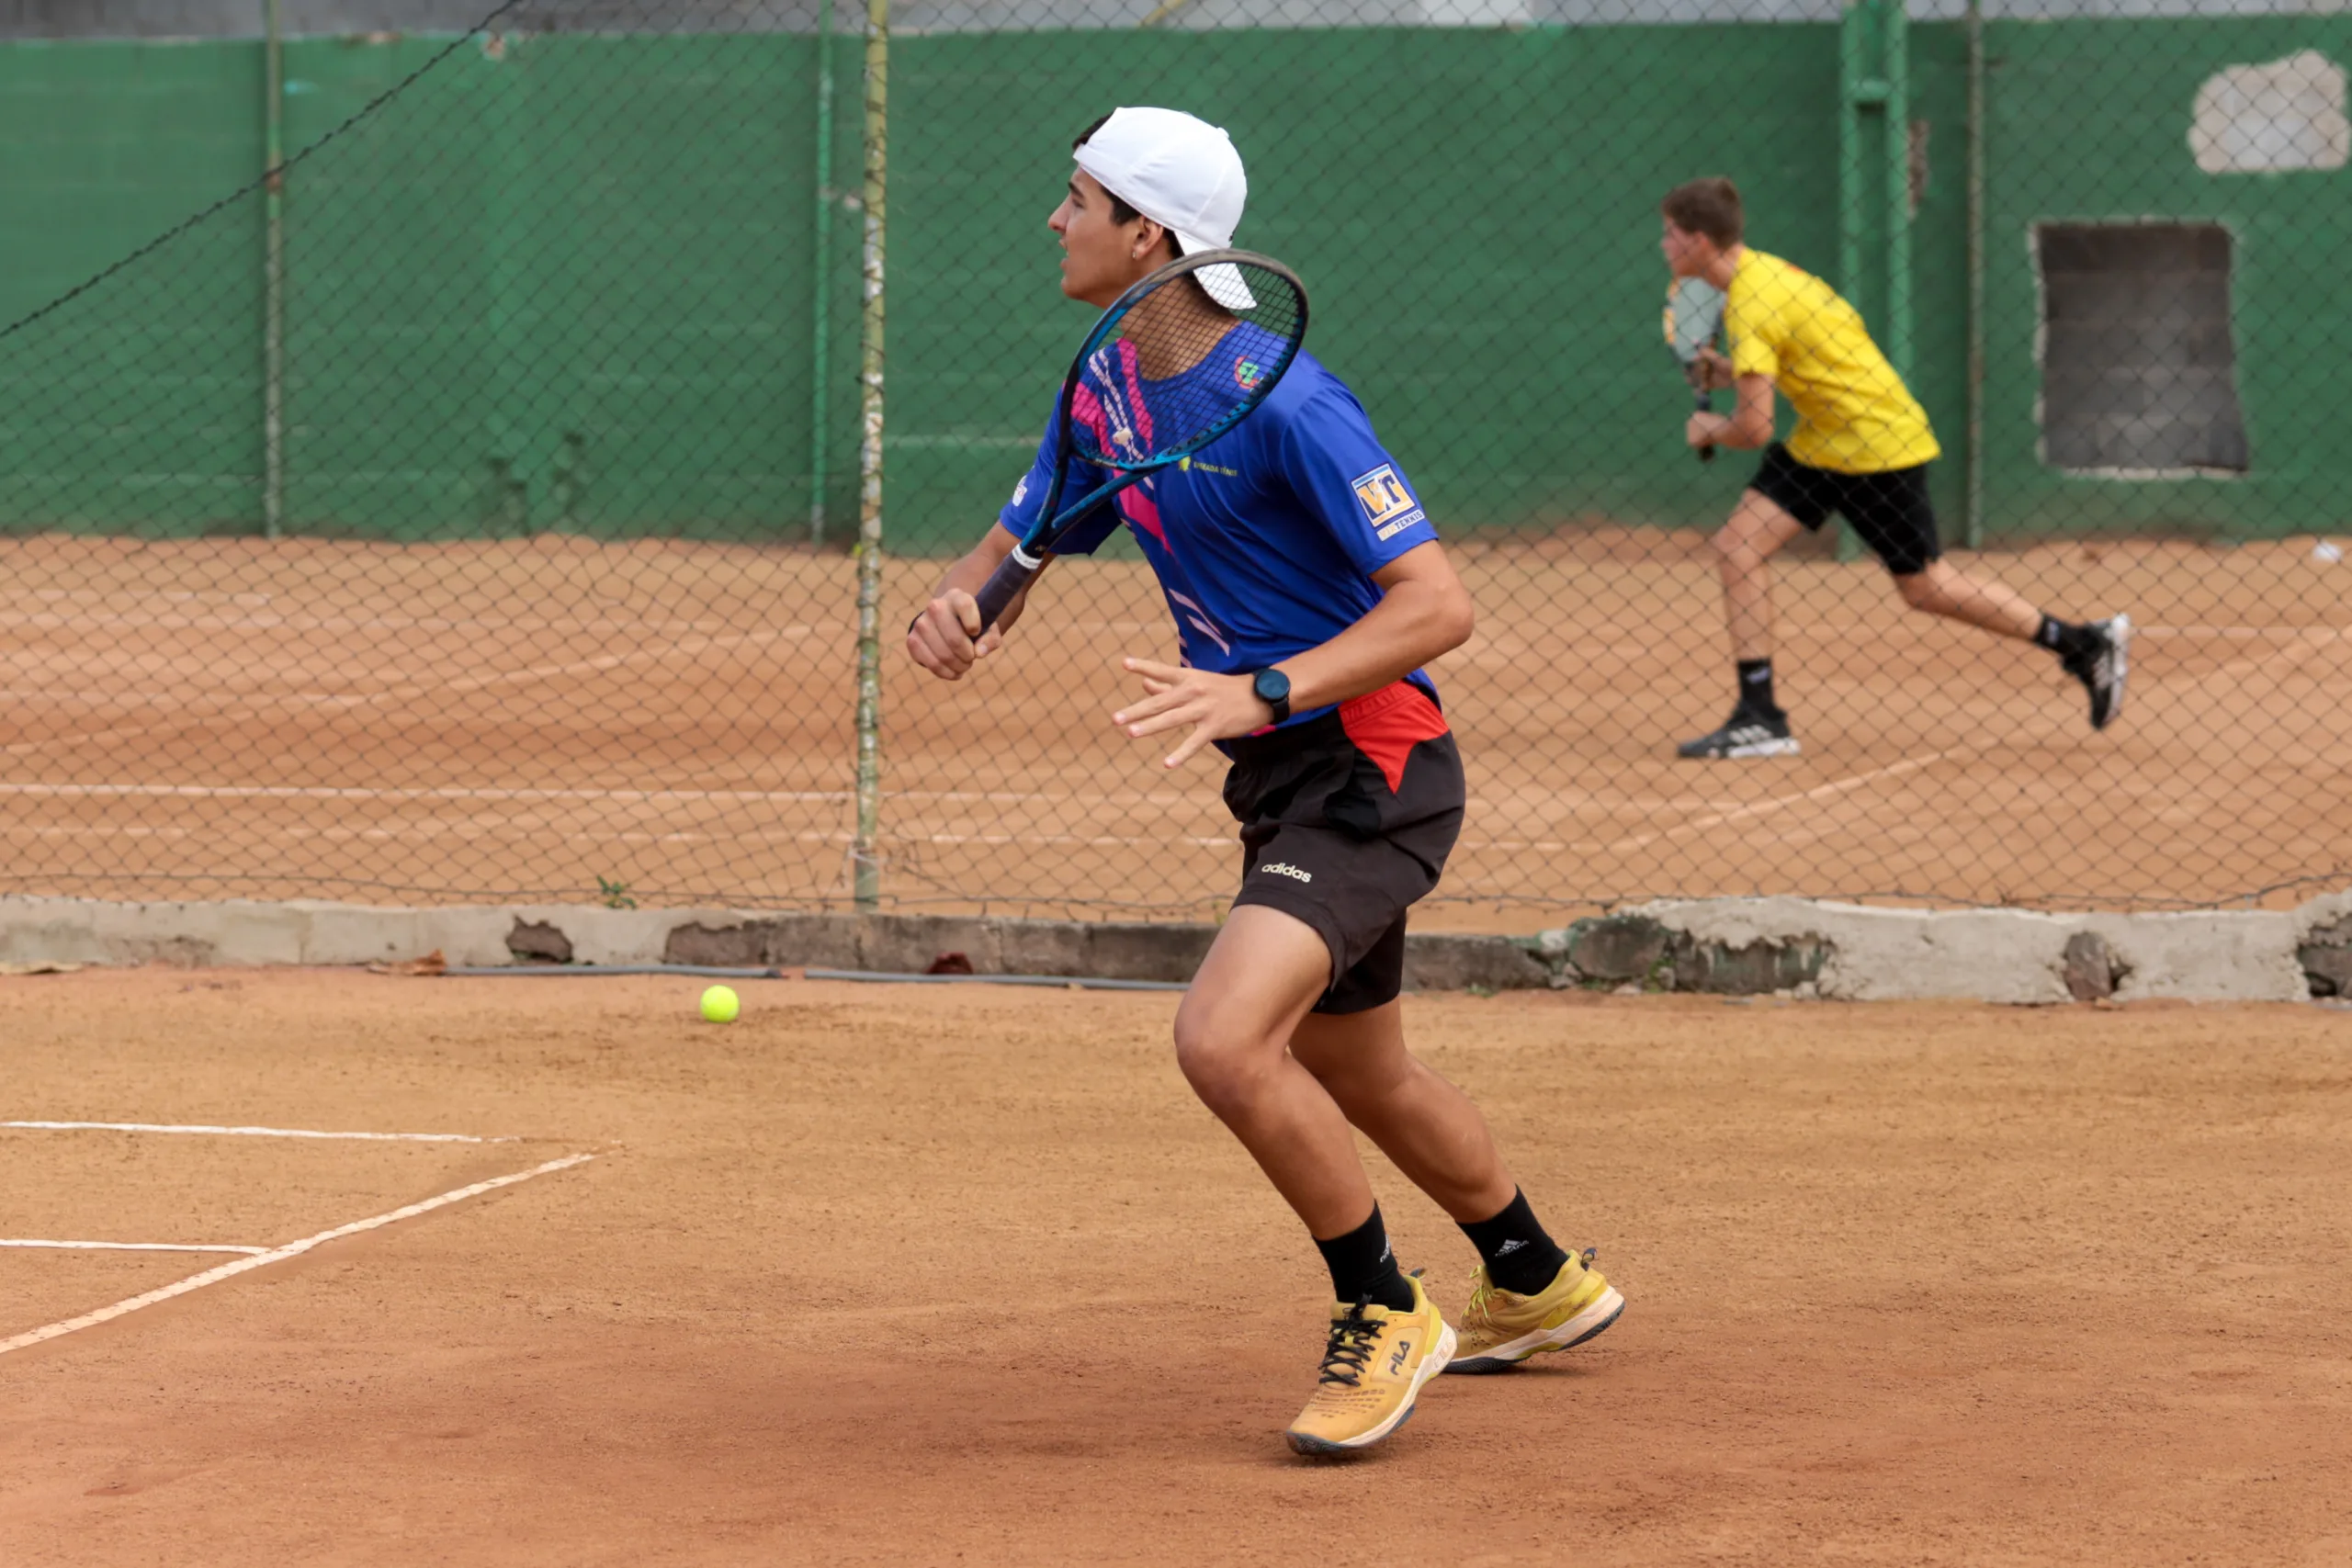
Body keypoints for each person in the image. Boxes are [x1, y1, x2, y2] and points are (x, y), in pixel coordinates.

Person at [907, 107, 1623, 1455]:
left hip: (1374, 761)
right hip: (1281, 780)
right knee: (1365, 1065)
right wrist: (955, 611)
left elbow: (1438, 603)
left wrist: (1266, 686)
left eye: (1077, 198)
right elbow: (1021, 545)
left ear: (1148, 234)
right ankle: (1532, 1275)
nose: (1054, 220)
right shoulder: (1107, 384)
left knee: (1226, 1040)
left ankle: (1383, 1302)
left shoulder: (1289, 397)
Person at [1662, 176, 2130, 760]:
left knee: (1925, 588)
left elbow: (1755, 429)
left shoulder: (1751, 304)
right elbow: (1804, 356)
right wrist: (1732, 372)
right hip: (1826, 438)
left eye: (1671, 234)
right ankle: (1760, 717)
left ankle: (2081, 644)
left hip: (1873, 445)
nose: (1664, 245)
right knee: (1737, 548)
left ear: (1701, 242)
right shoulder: (1763, 274)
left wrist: (1709, 428)